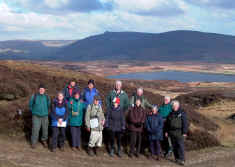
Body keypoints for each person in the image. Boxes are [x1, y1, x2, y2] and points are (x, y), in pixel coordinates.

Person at [165, 100, 188, 166]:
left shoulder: (182, 113)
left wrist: (184, 132)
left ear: (178, 106)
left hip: (179, 132)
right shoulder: (170, 114)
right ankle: (177, 158)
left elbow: (185, 123)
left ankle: (182, 159)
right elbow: (167, 124)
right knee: (174, 146)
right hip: (171, 132)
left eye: (175, 105)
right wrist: (166, 131)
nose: (174, 107)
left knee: (180, 146)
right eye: (173, 106)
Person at [29, 84, 51, 149]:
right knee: (35, 129)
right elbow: (30, 105)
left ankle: (44, 140)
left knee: (45, 130)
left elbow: (49, 106)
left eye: (43, 89)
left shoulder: (47, 97)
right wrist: (33, 112)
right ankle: (33, 143)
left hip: (45, 116)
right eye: (40, 89)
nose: (41, 90)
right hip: (36, 116)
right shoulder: (34, 96)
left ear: (45, 90)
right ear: (38, 90)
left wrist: (47, 112)